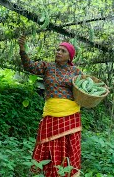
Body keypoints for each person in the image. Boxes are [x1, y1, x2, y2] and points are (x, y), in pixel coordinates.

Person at [18, 35, 83, 177]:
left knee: (68, 147)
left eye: (63, 51)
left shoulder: (76, 72)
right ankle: (51, 173)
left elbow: (84, 90)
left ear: (70, 57)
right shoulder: (47, 66)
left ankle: (67, 174)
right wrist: (23, 50)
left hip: (70, 115)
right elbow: (29, 66)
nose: (58, 52)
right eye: (58, 50)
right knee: (48, 146)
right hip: (51, 113)